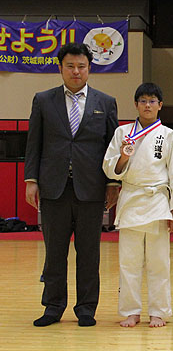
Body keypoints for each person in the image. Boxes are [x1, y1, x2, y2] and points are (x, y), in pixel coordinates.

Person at [24, 42, 119, 327]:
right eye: (70, 66)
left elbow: (111, 146)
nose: (76, 71)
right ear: (60, 68)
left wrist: (113, 183)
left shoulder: (106, 102)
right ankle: (53, 307)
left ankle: (86, 308)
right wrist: (31, 181)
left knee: (89, 254)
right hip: (54, 188)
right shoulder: (43, 100)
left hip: (91, 189)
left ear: (90, 68)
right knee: (54, 253)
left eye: (81, 66)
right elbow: (34, 144)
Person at [103, 82, 173, 328]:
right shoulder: (123, 133)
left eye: (152, 101)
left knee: (159, 261)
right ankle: (131, 311)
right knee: (129, 262)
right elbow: (110, 168)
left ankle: (159, 311)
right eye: (143, 101)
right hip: (131, 199)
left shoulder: (170, 136)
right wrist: (123, 158)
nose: (147, 105)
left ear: (160, 105)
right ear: (136, 105)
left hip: (158, 201)